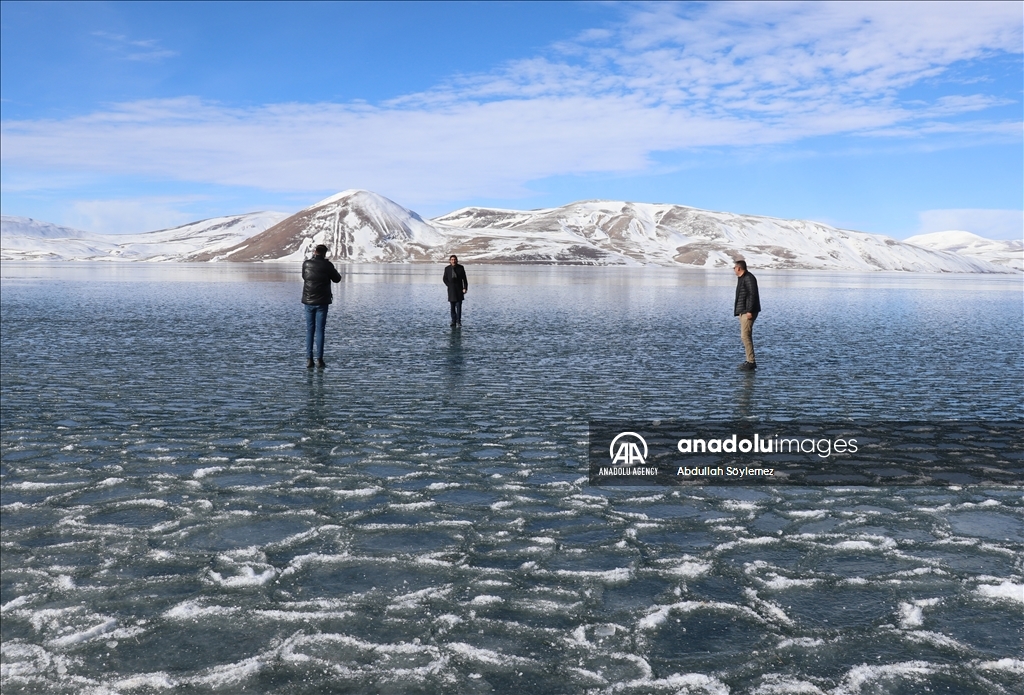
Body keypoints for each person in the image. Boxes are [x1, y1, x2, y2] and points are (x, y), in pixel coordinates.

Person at [301, 244, 342, 369]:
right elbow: (337, 279)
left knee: (310, 330)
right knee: (320, 330)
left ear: (314, 252)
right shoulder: (327, 265)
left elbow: (304, 277)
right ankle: (319, 360)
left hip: (308, 301)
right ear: (325, 253)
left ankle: (309, 360)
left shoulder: (306, 264)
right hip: (322, 302)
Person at [733, 259, 761, 371]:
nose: (734, 269)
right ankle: (749, 360)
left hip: (748, 312)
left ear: (739, 268)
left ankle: (751, 362)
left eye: (734, 267)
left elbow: (752, 295)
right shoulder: (742, 278)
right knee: (745, 336)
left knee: (745, 336)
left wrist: (749, 310)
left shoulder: (749, 278)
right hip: (743, 311)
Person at [443, 255, 468, 327]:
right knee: (452, 307)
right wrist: (449, 285)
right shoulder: (447, 269)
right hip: (451, 291)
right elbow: (444, 279)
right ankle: (453, 321)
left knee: (459, 306)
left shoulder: (461, 268)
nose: (453, 261)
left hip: (459, 290)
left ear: (456, 260)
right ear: (450, 261)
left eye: (454, 259)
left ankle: (458, 321)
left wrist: (465, 288)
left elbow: (465, 279)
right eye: (452, 259)